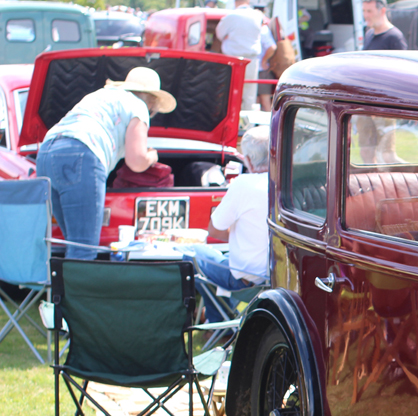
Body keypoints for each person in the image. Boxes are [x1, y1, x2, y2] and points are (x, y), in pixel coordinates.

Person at [36, 67, 174, 261]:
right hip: (82, 153)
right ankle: (79, 292)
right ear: (152, 101)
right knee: (84, 247)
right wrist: (152, 156)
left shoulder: (102, 95)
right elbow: (136, 161)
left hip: (46, 152)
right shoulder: (138, 106)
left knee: (72, 243)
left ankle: (63, 290)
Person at [182, 126, 271, 322]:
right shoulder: (284, 183)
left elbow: (215, 229)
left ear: (246, 159)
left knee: (191, 253)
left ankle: (217, 321)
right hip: (274, 278)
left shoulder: (243, 184)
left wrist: (239, 234)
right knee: (224, 259)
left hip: (248, 279)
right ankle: (219, 317)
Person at [216, 0, 266, 110]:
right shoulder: (257, 15)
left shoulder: (230, 16)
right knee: (249, 94)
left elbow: (219, 34)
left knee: (230, 92)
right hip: (252, 60)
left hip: (232, 60)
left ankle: (230, 120)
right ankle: (246, 123)